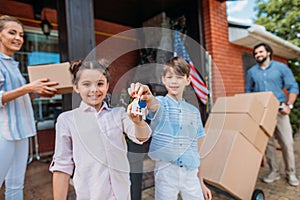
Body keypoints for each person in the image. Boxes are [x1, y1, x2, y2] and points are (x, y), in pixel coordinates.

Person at [49, 59, 151, 200]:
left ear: (107, 85)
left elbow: (141, 137)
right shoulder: (67, 120)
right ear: (76, 87)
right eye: (86, 84)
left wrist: (138, 122)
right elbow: (62, 166)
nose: (94, 89)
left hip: (122, 194)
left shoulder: (119, 114)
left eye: (100, 84)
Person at [128, 56, 212, 200]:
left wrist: (201, 182)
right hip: (166, 171)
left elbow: (198, 150)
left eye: (179, 77)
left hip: (191, 174)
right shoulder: (161, 104)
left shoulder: (194, 112)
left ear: (187, 80)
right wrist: (147, 96)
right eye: (170, 77)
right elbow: (154, 104)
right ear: (163, 79)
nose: (174, 81)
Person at [0, 15, 58, 199]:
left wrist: (35, 93)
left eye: (21, 34)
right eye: (12, 33)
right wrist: (28, 88)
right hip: (4, 133)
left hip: (22, 130)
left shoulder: (13, 64)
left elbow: (16, 96)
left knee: (16, 185)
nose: (18, 38)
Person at [245, 42, 299, 186]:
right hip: (262, 112)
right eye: (256, 53)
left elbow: (293, 86)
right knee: (268, 144)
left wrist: (289, 105)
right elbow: (248, 91)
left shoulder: (281, 68)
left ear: (268, 52)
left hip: (280, 110)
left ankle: (291, 173)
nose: (258, 55)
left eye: (261, 52)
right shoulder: (252, 72)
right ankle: (274, 171)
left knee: (287, 143)